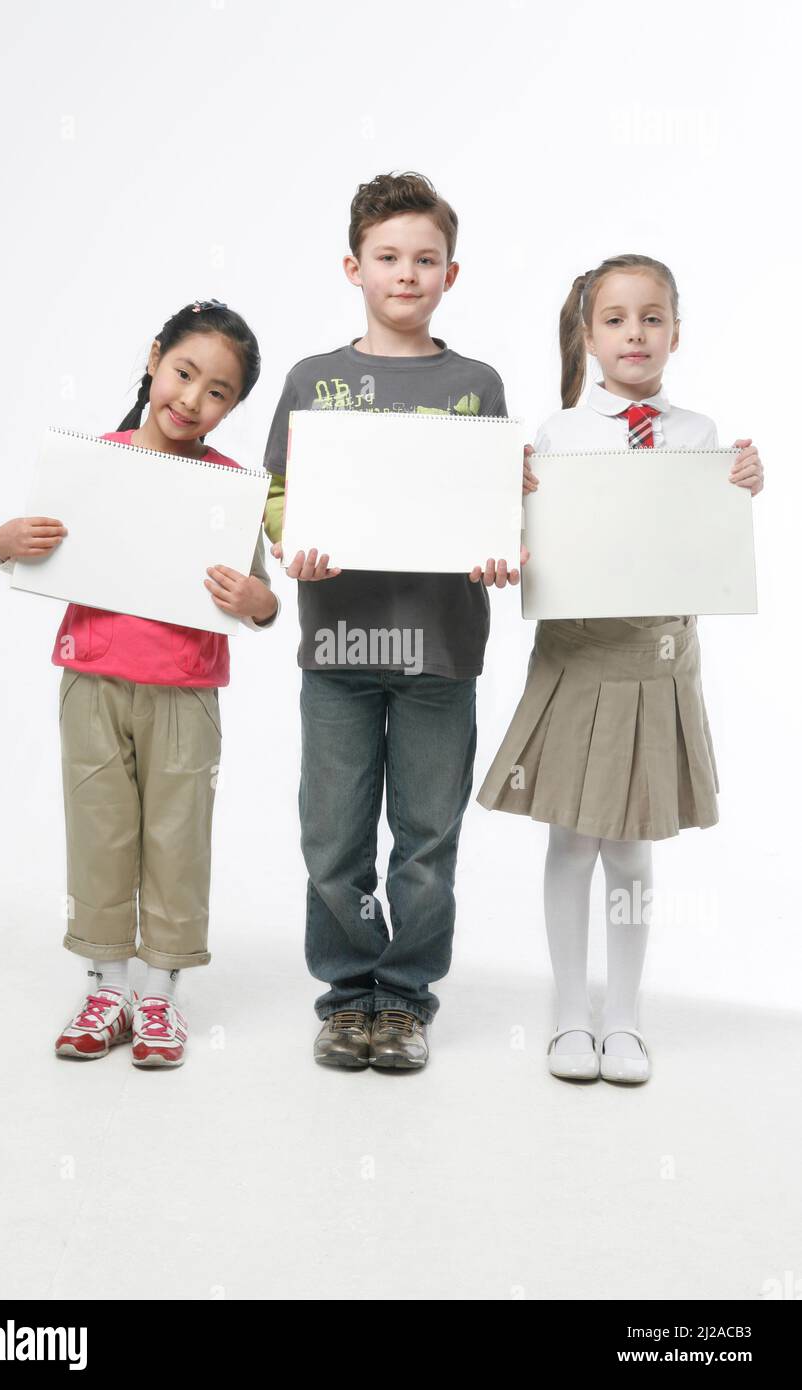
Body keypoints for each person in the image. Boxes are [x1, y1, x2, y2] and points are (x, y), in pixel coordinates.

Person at [477, 254, 764, 1083]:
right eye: (615, 319)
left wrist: (747, 483)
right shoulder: (556, 438)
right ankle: (571, 1014)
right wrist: (512, 502)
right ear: (588, 334)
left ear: (676, 330)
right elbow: (535, 544)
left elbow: (710, 542)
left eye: (652, 317)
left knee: (633, 848)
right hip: (579, 654)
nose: (634, 333)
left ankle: (626, 1018)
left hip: (658, 660)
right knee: (572, 840)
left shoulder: (701, 436)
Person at [262, 171, 524, 1069]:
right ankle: (346, 997)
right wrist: (289, 543)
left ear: (451, 273)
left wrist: (500, 550)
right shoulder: (313, 379)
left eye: (425, 259)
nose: (406, 274)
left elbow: (501, 511)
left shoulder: (476, 382)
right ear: (353, 267)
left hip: (442, 652)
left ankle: (405, 999)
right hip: (336, 645)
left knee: (425, 842)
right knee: (334, 839)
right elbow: (276, 499)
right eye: (388, 258)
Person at [0, 298, 279, 1069]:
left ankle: (160, 997)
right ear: (154, 359)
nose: (192, 400)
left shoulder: (229, 490)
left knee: (177, 841)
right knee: (101, 834)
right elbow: (23, 546)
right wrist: (2, 540)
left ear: (235, 405)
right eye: (184, 373)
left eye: (217, 391)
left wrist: (260, 604)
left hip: (186, 695)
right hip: (92, 683)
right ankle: (106, 987)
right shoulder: (92, 463)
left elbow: (263, 598)